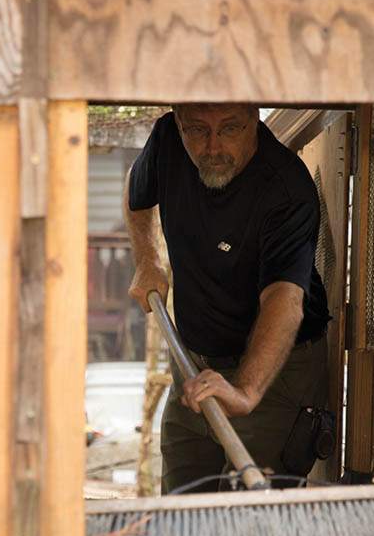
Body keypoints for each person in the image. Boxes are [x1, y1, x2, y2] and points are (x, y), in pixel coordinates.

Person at [124, 103, 330, 493]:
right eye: (198, 130)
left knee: (248, 524)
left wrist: (246, 392)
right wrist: (147, 259)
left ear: (254, 119)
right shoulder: (168, 138)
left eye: (230, 128)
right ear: (180, 123)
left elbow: (283, 299)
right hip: (194, 363)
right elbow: (137, 190)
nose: (213, 147)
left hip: (276, 370)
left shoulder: (285, 188)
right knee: (182, 507)